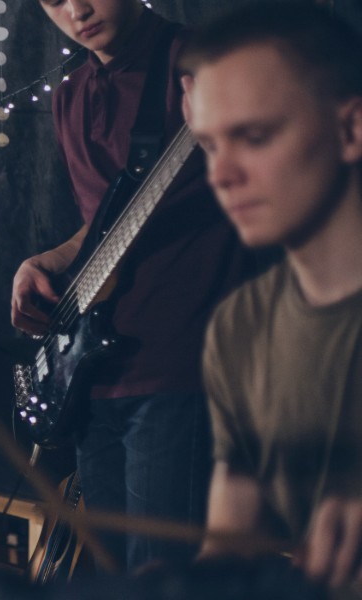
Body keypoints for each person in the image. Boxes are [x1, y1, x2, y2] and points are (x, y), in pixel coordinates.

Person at [11, 0, 253, 572]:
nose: (77, 10)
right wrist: (46, 260)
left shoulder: (202, 62)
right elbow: (103, 223)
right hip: (95, 372)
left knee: (163, 575)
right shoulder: (70, 95)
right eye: (53, 1)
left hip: (181, 365)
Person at [180, 3, 362, 595]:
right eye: (208, 146)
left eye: (253, 137)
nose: (222, 175)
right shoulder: (239, 327)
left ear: (351, 129)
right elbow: (229, 545)